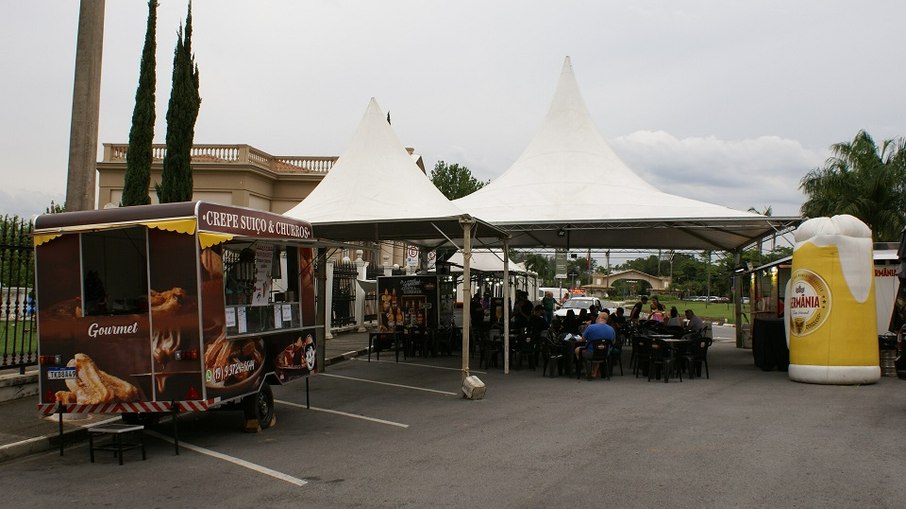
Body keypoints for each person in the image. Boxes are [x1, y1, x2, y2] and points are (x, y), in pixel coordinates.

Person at [575, 311, 615, 378]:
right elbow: (613, 342)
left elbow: (583, 339)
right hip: (604, 353)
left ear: (598, 317)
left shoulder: (591, 327)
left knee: (577, 350)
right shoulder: (611, 329)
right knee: (599, 349)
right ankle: (594, 372)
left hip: (591, 352)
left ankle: (588, 370)